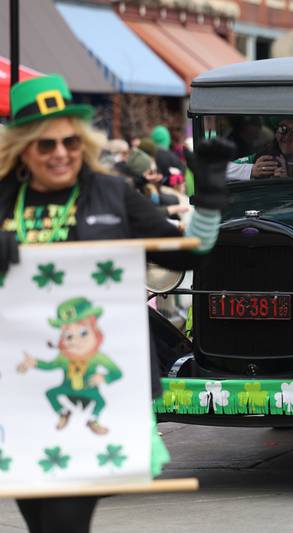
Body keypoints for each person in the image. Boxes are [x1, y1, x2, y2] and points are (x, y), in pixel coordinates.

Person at [0, 74, 232, 533]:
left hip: (101, 391)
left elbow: (188, 252)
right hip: (22, 389)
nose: (61, 153)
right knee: (40, 520)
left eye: (69, 140)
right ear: (24, 149)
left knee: (65, 521)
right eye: (46, 145)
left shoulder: (111, 193)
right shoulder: (4, 198)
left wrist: (208, 202)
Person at [226, 116, 293, 180]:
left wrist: (285, 183)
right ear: (276, 134)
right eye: (283, 129)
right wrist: (251, 170)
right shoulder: (264, 159)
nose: (288, 136)